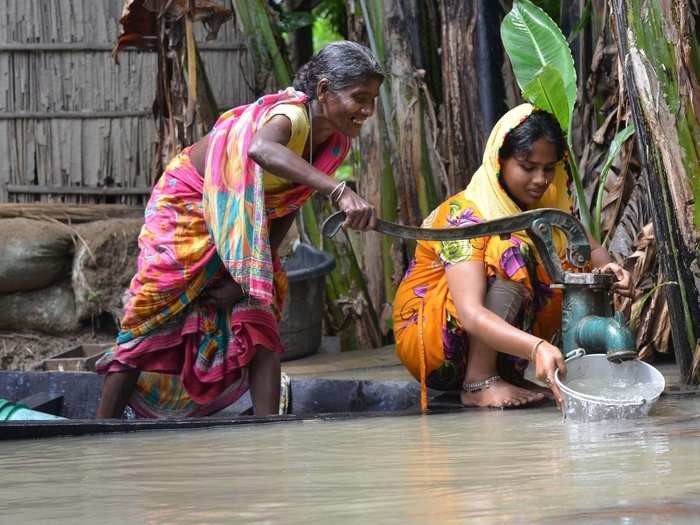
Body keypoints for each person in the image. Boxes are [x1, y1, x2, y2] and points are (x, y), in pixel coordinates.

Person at [95, 41, 382, 418]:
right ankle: (103, 425)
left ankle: (268, 431)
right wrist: (339, 190)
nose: (367, 110)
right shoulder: (291, 117)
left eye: (372, 100)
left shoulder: (335, 143)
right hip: (189, 205)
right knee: (153, 310)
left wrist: (249, 274)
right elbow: (261, 149)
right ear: (325, 90)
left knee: (257, 310)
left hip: (245, 225)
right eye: (359, 97)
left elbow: (287, 204)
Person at [392, 104, 634, 410]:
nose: (540, 179)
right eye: (528, 166)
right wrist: (537, 348)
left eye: (549, 168)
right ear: (499, 160)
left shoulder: (549, 207)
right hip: (434, 348)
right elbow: (469, 313)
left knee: (555, 258)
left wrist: (610, 267)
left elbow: (588, 247)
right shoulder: (465, 216)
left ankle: (503, 375)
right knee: (510, 250)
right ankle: (479, 382)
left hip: (493, 345)